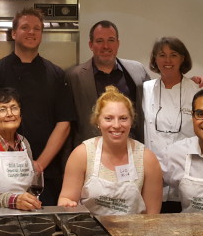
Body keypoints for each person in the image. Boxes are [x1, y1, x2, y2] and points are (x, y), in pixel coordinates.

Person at [0, 8, 75, 206]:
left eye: (37, 28)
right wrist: (13, 162)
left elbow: (64, 124)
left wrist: (38, 166)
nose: (31, 32)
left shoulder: (56, 74)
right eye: (25, 27)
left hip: (45, 173)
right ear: (14, 33)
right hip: (3, 171)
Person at [66, 21, 203, 148]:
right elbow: (67, 125)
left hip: (132, 152)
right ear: (91, 44)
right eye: (99, 41)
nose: (106, 46)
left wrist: (191, 83)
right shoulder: (74, 76)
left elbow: (166, 88)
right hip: (92, 153)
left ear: (118, 43)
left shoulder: (137, 71)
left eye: (111, 40)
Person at [58, 86, 162, 215]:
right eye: (108, 118)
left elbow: (152, 216)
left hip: (134, 233)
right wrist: (66, 204)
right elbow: (66, 198)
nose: (117, 125)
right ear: (98, 122)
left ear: (131, 121)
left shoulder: (147, 159)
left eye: (123, 118)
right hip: (90, 232)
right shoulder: (82, 154)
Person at [142, 37, 201, 213]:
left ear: (182, 58)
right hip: (152, 173)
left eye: (173, 55)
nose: (167, 61)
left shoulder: (197, 90)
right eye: (162, 55)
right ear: (155, 59)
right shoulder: (145, 89)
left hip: (186, 172)